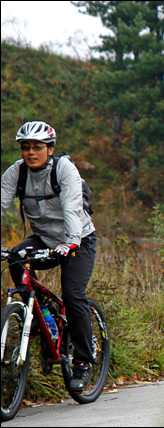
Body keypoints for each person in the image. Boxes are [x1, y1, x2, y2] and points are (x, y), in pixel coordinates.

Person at [1, 121, 97, 392]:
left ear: (50, 149)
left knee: (73, 295)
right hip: (44, 239)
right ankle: (44, 318)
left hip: (79, 240)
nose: (31, 152)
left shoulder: (64, 169)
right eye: (26, 147)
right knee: (16, 258)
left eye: (37, 147)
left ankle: (83, 361)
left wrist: (71, 242)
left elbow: (72, 207)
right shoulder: (16, 172)